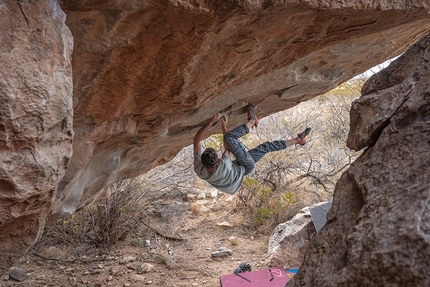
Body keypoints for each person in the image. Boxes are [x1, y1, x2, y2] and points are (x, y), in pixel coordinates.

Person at [193, 106, 311, 194]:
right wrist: (221, 126)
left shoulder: (200, 169)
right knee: (229, 137)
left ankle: (298, 140)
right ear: (218, 161)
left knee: (266, 147)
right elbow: (226, 146)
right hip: (244, 166)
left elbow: (196, 141)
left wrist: (210, 123)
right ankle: (252, 122)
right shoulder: (223, 165)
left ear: (203, 162)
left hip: (238, 172)